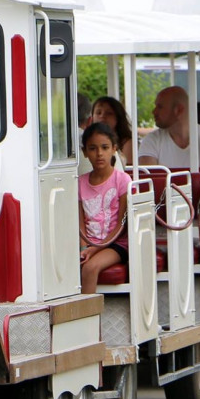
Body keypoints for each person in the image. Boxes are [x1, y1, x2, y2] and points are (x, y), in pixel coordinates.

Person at [79, 122, 131, 294]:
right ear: (85, 152)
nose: (99, 153)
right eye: (92, 148)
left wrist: (96, 248)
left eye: (105, 147)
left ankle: (88, 319)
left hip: (116, 244)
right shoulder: (79, 183)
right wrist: (85, 247)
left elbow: (121, 225)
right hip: (89, 244)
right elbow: (80, 224)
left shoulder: (122, 181)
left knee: (90, 268)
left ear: (114, 149)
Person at [138, 86, 200, 168]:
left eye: (160, 107)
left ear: (179, 110)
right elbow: (149, 177)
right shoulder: (152, 140)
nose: (154, 111)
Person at [91, 96, 135, 166]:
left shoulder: (126, 142)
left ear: (118, 118)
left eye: (109, 113)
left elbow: (129, 170)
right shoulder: (88, 139)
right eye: (98, 113)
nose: (102, 116)